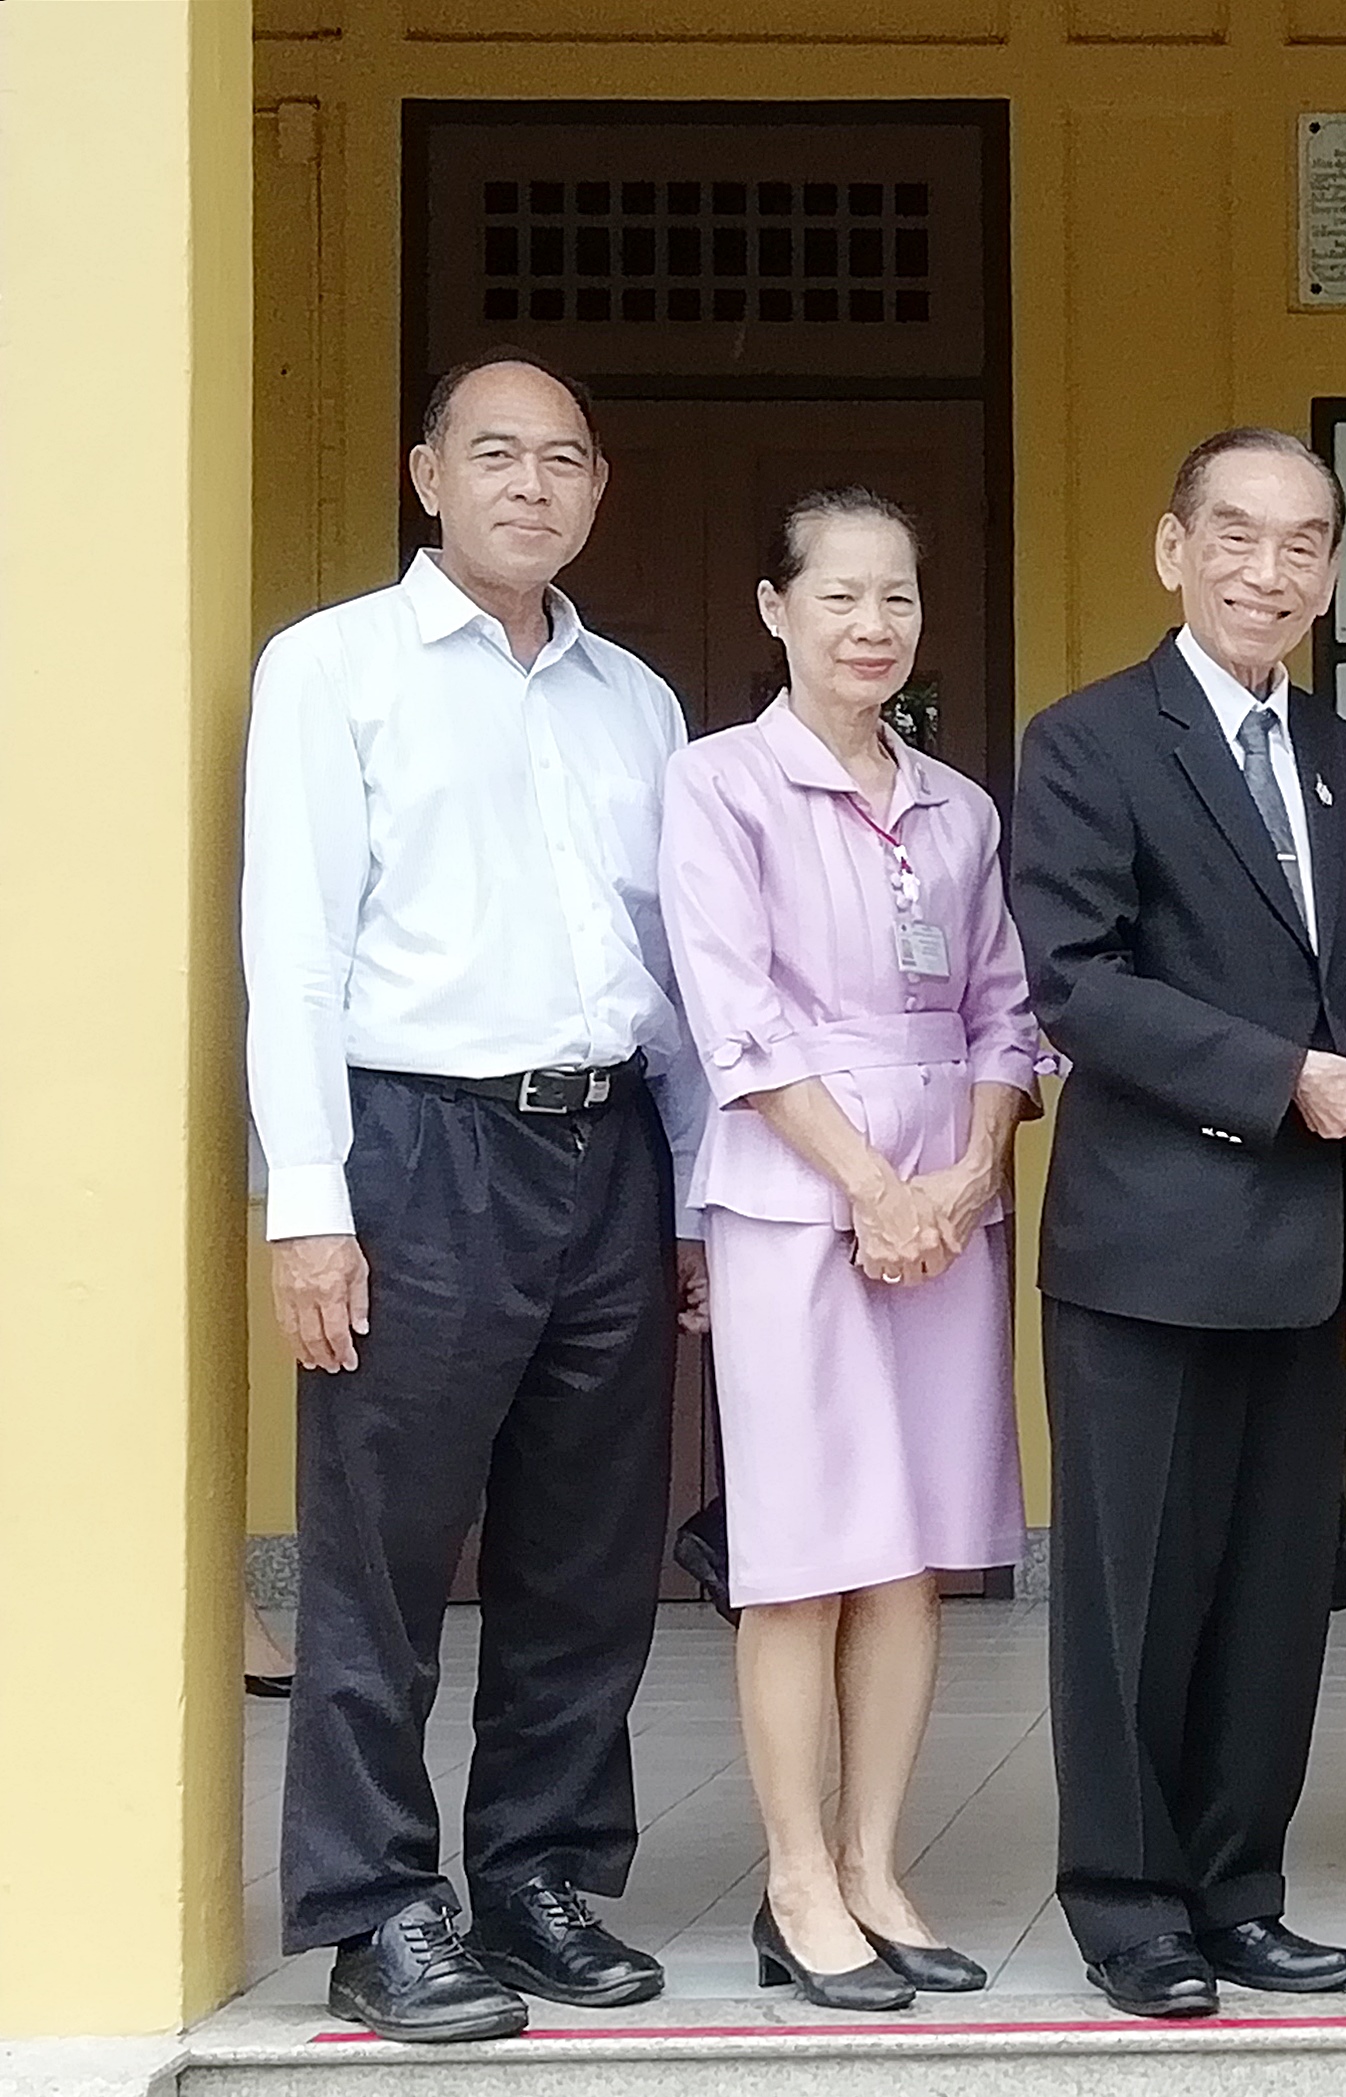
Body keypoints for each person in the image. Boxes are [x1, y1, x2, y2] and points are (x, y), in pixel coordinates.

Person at [241, 351, 708, 2043]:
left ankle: (537, 1875)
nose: (531, 483)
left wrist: (692, 1195)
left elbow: (676, 969)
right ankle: (375, 1906)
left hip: (609, 1147)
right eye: (494, 452)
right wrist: (308, 1201)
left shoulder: (635, 699)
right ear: (427, 474)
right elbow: (293, 946)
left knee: (588, 1551)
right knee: (383, 1551)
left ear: (597, 491)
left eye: (563, 458)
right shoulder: (335, 668)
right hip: (415, 1150)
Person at [1010, 428, 1346, 2020]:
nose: (1270, 571)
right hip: (1147, 1240)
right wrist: (1283, 1078)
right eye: (1239, 536)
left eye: (1303, 543)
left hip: (1302, 1238)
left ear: (1331, 572)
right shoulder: (1085, 740)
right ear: (1173, 550)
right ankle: (1130, 1905)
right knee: (1134, 1594)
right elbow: (1078, 982)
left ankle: (1237, 1889)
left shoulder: (1330, 747)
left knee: (1274, 1593)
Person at [660, 488, 1054, 2010]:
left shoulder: (961, 807)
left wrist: (963, 1175)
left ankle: (877, 1863)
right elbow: (737, 1014)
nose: (872, 625)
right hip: (792, 1195)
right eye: (838, 596)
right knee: (804, 1554)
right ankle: (796, 1881)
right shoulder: (719, 784)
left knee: (911, 1555)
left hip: (947, 1202)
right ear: (776, 609)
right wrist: (870, 1189)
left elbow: (1004, 1009)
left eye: (896, 596)